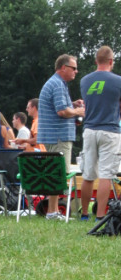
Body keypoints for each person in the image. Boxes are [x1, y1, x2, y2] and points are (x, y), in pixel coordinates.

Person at [37, 54, 84, 219]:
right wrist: (78, 111)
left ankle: (54, 210)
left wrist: (73, 105)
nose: (76, 71)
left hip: (53, 135)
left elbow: (63, 107)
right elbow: (62, 111)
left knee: (55, 173)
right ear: (63, 67)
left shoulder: (57, 83)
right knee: (58, 173)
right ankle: (52, 211)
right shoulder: (57, 85)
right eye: (74, 68)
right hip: (58, 136)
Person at [78, 46, 121, 221]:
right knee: (105, 175)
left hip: (89, 130)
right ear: (111, 61)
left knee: (88, 175)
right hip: (110, 130)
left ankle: (84, 214)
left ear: (96, 61)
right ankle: (101, 215)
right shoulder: (118, 81)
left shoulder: (84, 81)